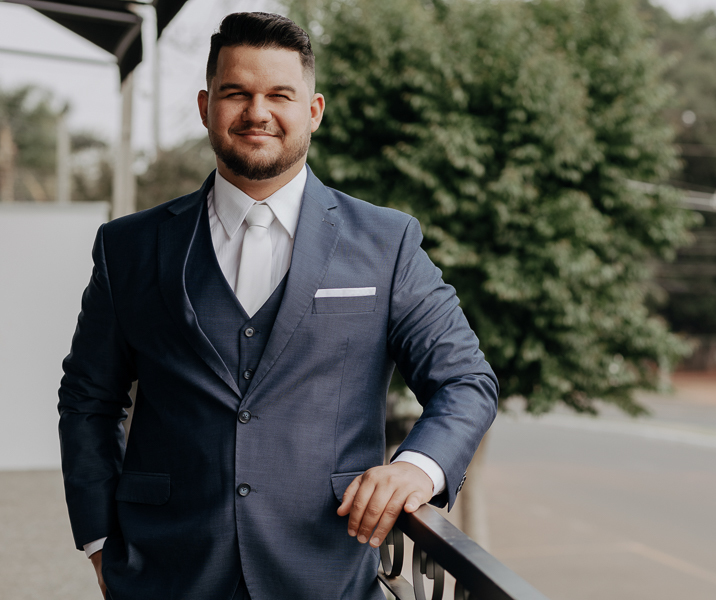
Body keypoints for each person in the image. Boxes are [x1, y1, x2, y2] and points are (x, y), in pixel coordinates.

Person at [58, 12, 497, 600]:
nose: (257, 112)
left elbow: (466, 381)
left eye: (278, 95)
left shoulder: (386, 242)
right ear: (205, 106)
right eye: (235, 93)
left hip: (327, 572)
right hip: (165, 574)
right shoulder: (129, 246)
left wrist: (417, 467)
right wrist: (98, 541)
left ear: (312, 111)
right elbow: (88, 399)